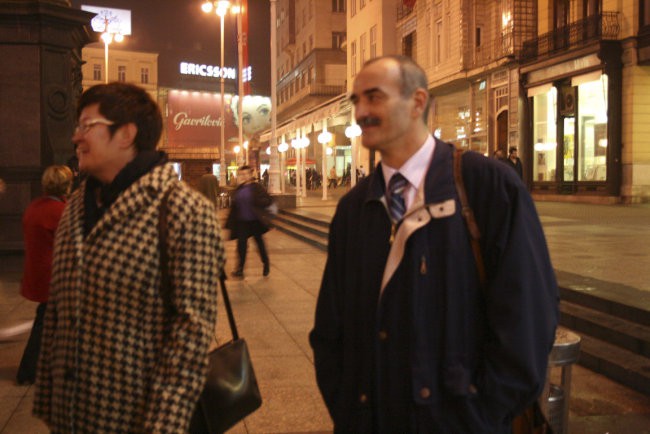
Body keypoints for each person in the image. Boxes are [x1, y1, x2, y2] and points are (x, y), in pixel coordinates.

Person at [309, 55, 558, 433]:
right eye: (356, 101)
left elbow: (527, 321)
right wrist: (350, 412)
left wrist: (479, 417)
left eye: (374, 98)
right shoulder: (353, 209)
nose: (361, 112)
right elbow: (330, 329)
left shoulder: (487, 187)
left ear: (418, 102)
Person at [33, 83, 225, 432]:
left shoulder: (185, 210)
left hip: (133, 419)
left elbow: (191, 335)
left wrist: (161, 427)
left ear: (126, 134)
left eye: (87, 126)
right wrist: (49, 402)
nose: (76, 137)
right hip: (68, 416)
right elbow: (60, 312)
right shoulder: (78, 203)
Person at [16, 165, 73, 386]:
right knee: (48, 322)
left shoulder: (35, 207)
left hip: (39, 273)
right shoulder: (59, 211)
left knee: (51, 320)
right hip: (55, 276)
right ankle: (29, 370)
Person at [225, 164, 273, 279]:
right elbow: (234, 207)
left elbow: (268, 200)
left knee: (259, 244)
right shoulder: (239, 188)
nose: (244, 176)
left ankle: (266, 263)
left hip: (255, 221)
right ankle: (240, 269)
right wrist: (229, 222)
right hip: (242, 222)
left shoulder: (257, 187)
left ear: (251, 175)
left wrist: (257, 201)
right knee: (241, 245)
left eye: (246, 174)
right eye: (242, 174)